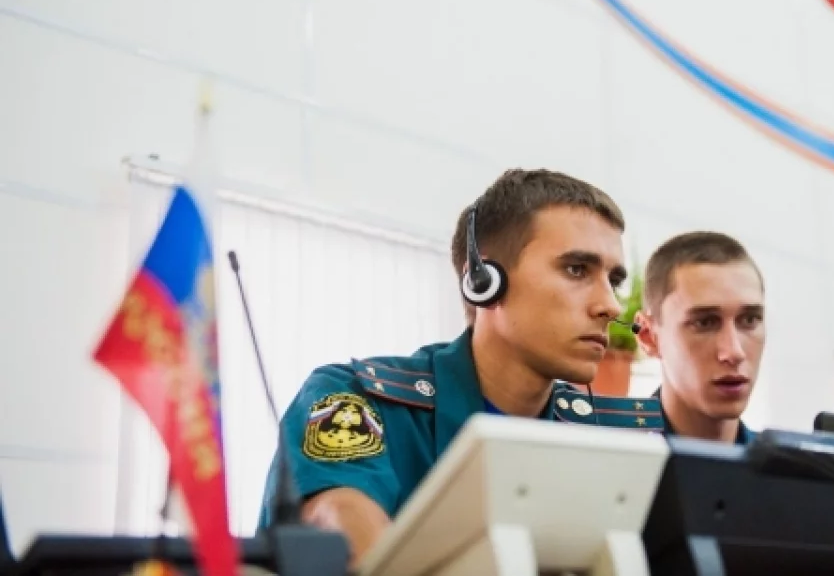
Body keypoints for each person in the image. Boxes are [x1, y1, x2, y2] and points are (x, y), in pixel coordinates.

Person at [257, 169, 662, 565]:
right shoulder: (358, 398)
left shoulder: (604, 438)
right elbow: (344, 526)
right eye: (576, 270)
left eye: (613, 280)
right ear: (484, 282)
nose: (610, 305)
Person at [635, 231, 766, 444]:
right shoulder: (606, 459)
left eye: (749, 320)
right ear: (649, 337)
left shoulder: (785, 464)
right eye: (705, 323)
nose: (734, 352)